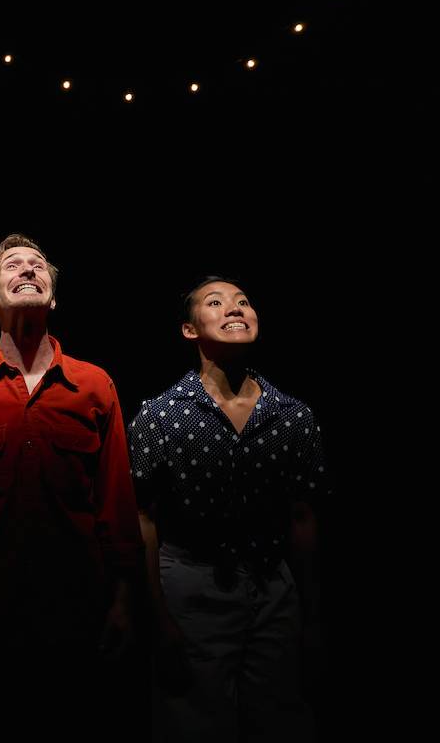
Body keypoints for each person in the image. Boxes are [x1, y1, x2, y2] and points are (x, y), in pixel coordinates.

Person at [0, 234, 142, 733]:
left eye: (37, 265)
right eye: (12, 265)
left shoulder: (95, 385)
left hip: (79, 613)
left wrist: (125, 603)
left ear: (54, 297)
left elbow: (117, 504)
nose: (27, 270)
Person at [129, 277, 331, 742]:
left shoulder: (293, 415)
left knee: (280, 717)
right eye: (216, 303)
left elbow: (303, 516)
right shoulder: (161, 415)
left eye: (243, 302)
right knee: (195, 719)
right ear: (188, 329)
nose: (234, 309)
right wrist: (158, 618)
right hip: (191, 584)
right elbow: (143, 518)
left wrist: (313, 615)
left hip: (273, 587)